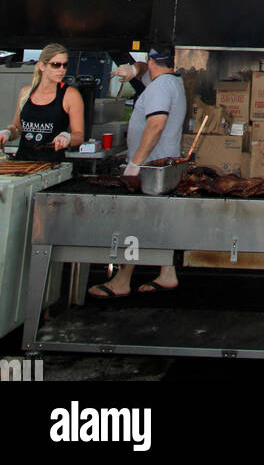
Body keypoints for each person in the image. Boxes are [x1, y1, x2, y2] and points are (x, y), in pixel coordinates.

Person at [88, 45, 187, 299]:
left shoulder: (160, 87)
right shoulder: (170, 80)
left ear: (153, 63)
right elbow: (144, 69)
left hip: (149, 168)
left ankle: (122, 280)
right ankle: (167, 273)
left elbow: (155, 125)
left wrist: (135, 163)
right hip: (161, 166)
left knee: (134, 222)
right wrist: (133, 70)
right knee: (158, 221)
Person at [0, 44, 84, 159]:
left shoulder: (71, 95)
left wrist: (67, 137)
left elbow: (79, 136)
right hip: (23, 162)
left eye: (65, 65)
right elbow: (17, 127)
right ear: (42, 66)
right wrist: (7, 132)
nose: (61, 70)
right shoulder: (26, 92)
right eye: (56, 65)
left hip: (53, 165)